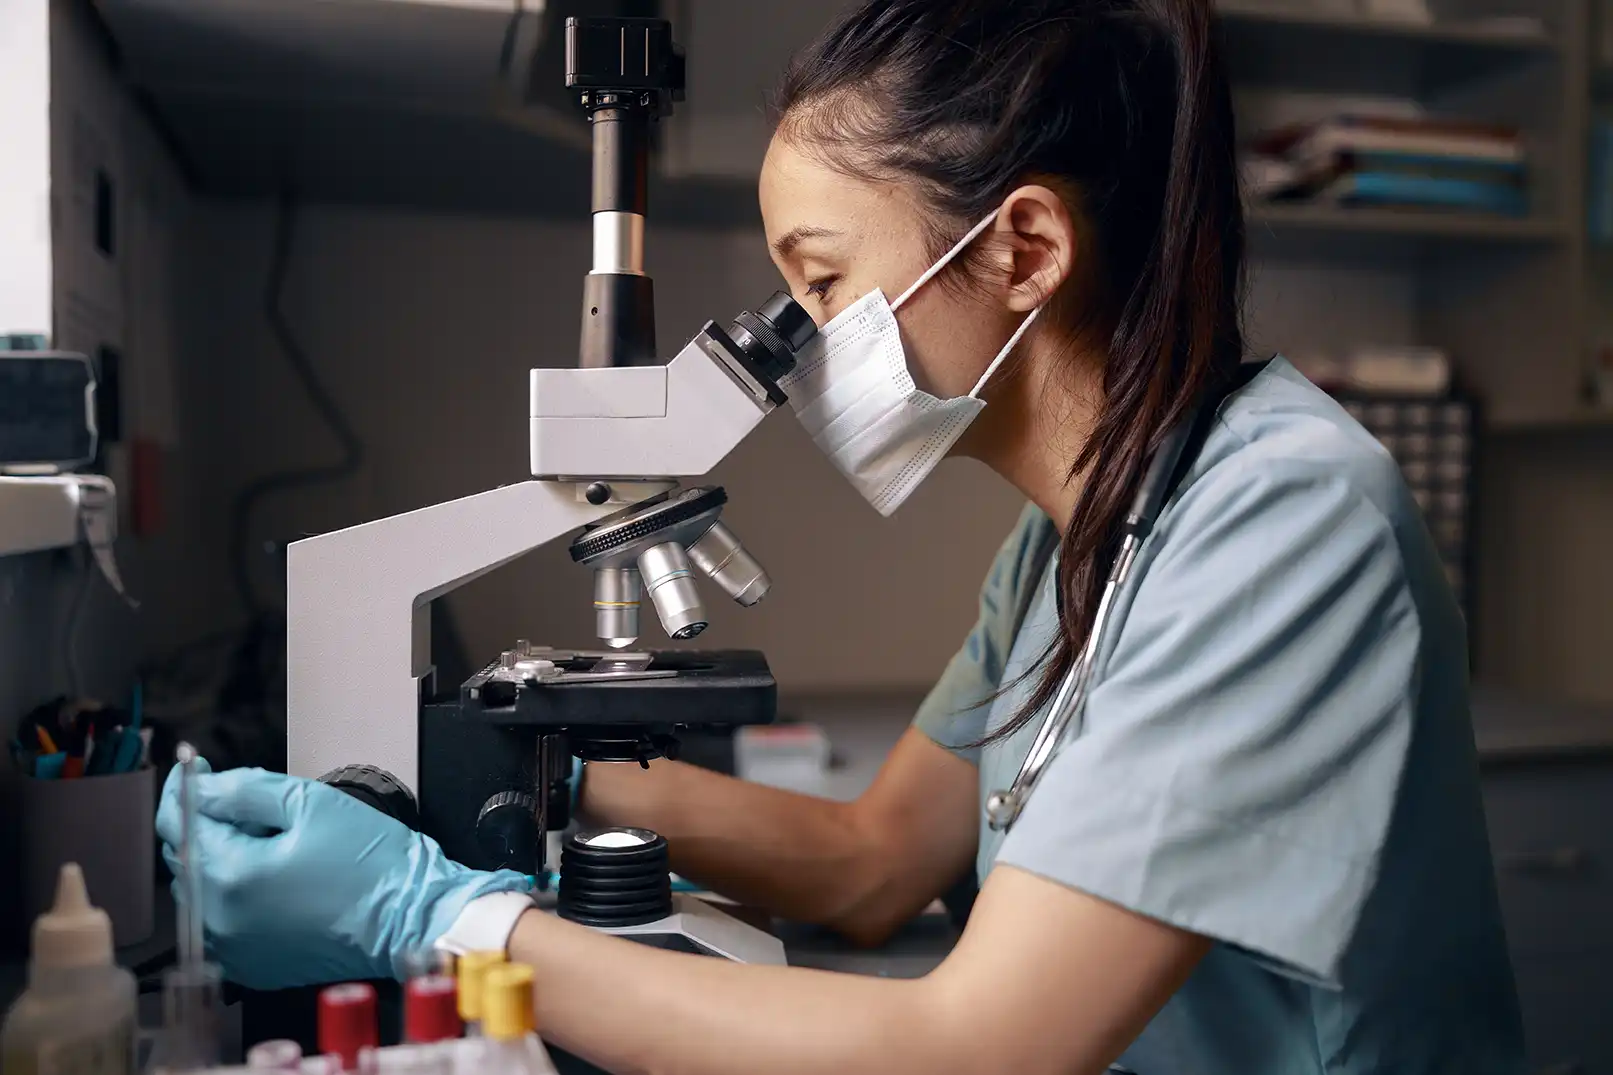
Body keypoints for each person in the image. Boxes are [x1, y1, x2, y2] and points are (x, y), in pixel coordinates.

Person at [155, 1, 1526, 1071]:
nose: (801, 346)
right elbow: (874, 862)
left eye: (822, 281)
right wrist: (531, 780)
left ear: (1024, 250)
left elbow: (983, 1046)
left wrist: (436, 918)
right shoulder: (1065, 545)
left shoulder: (1282, 521)